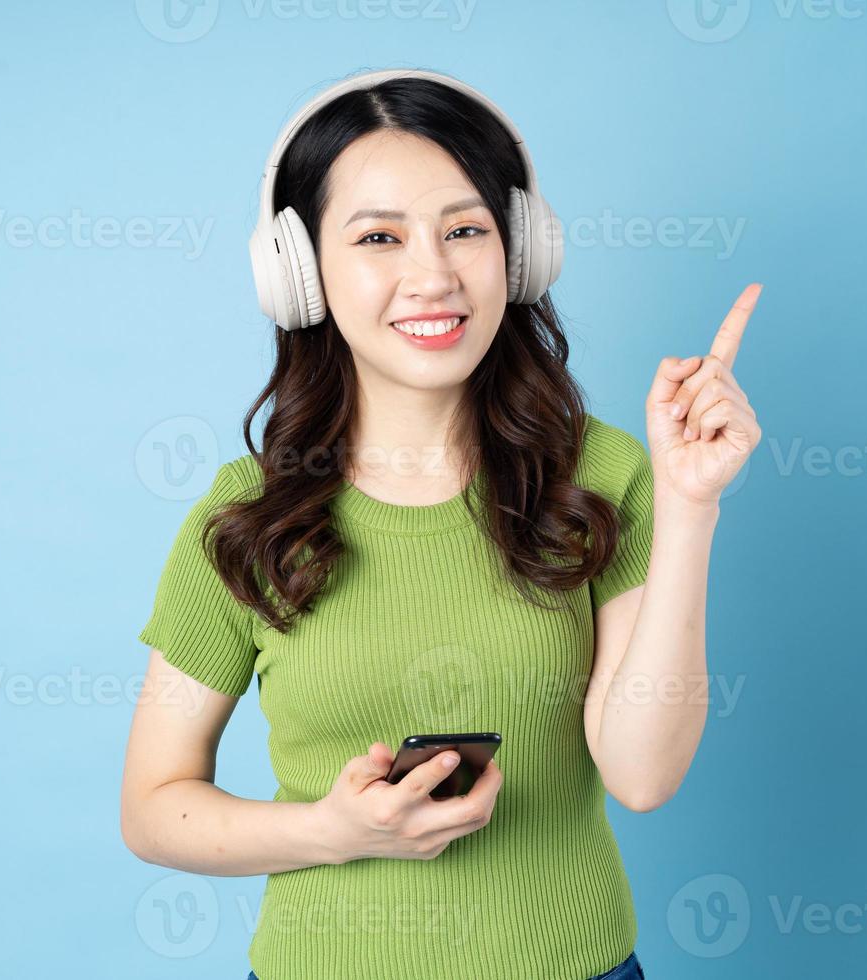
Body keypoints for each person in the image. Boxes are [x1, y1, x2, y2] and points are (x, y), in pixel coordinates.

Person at [119, 66, 762, 980]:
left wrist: (692, 504)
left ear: (520, 253)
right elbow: (152, 806)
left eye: (466, 230)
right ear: (300, 273)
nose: (433, 276)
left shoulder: (608, 475)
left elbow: (643, 776)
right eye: (379, 237)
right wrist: (329, 833)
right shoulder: (246, 516)